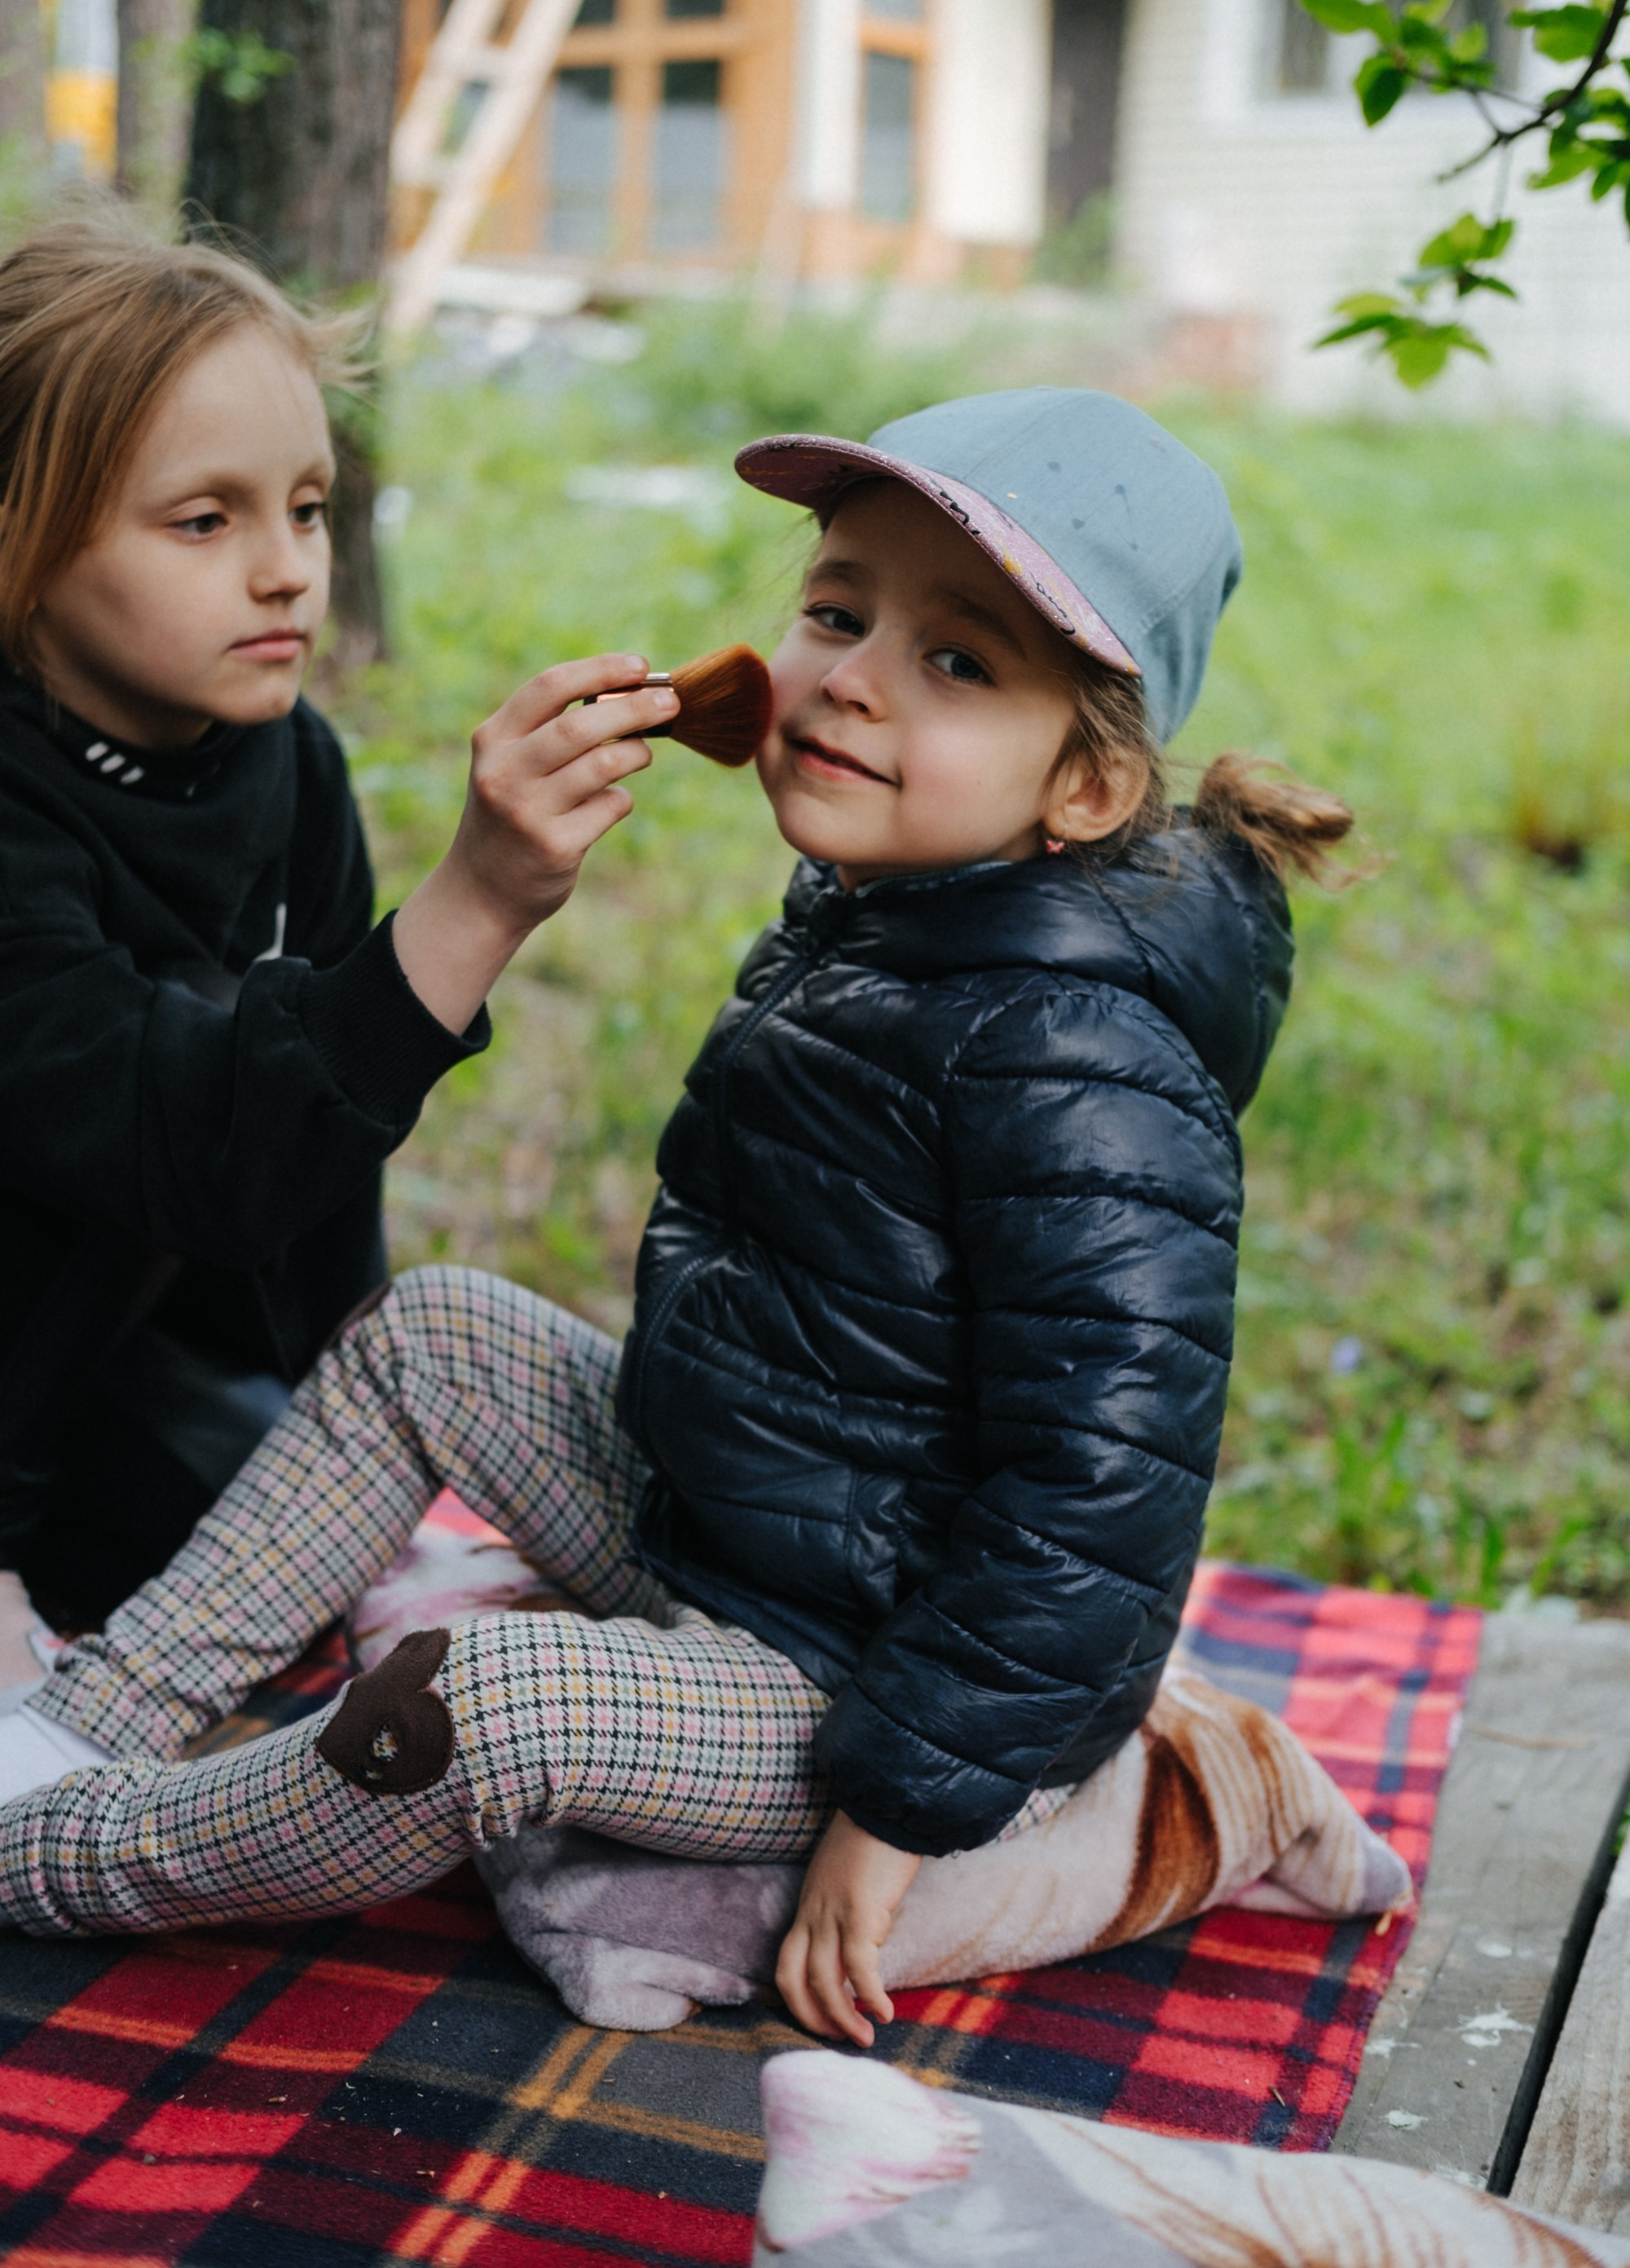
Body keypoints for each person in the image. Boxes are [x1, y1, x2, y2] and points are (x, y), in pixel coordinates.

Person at [0, 388, 1354, 2049]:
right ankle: (83, 1723)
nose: (851, 676)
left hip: (850, 1677)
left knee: (478, 1706)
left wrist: (893, 1809)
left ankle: (58, 1853)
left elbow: (1100, 1500)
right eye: (838, 612)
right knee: (436, 1331)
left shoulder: (1082, 1062)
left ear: (1084, 784)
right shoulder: (879, 918)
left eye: (956, 660)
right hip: (721, 1531)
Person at [0, 216, 678, 1641]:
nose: (287, 570)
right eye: (206, 520)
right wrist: (477, 899)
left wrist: (345, 1456)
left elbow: (316, 1170)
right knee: (203, 1020)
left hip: (115, 1371)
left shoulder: (290, 761)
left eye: (306, 509)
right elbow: (177, 1138)